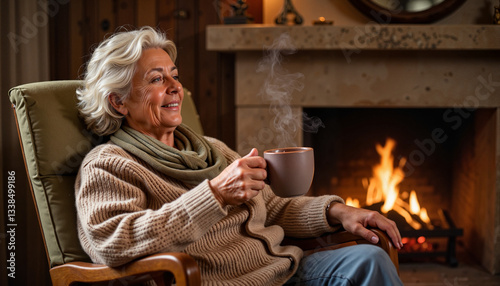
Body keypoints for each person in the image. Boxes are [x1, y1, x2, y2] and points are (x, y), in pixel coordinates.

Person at [75, 26, 403, 285]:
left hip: (281, 271)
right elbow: (113, 242)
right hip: (215, 282)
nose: (175, 86)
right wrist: (215, 194)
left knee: (369, 260)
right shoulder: (108, 165)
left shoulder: (211, 149)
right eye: (157, 79)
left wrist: (338, 212)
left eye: (174, 74)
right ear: (119, 101)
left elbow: (272, 207)